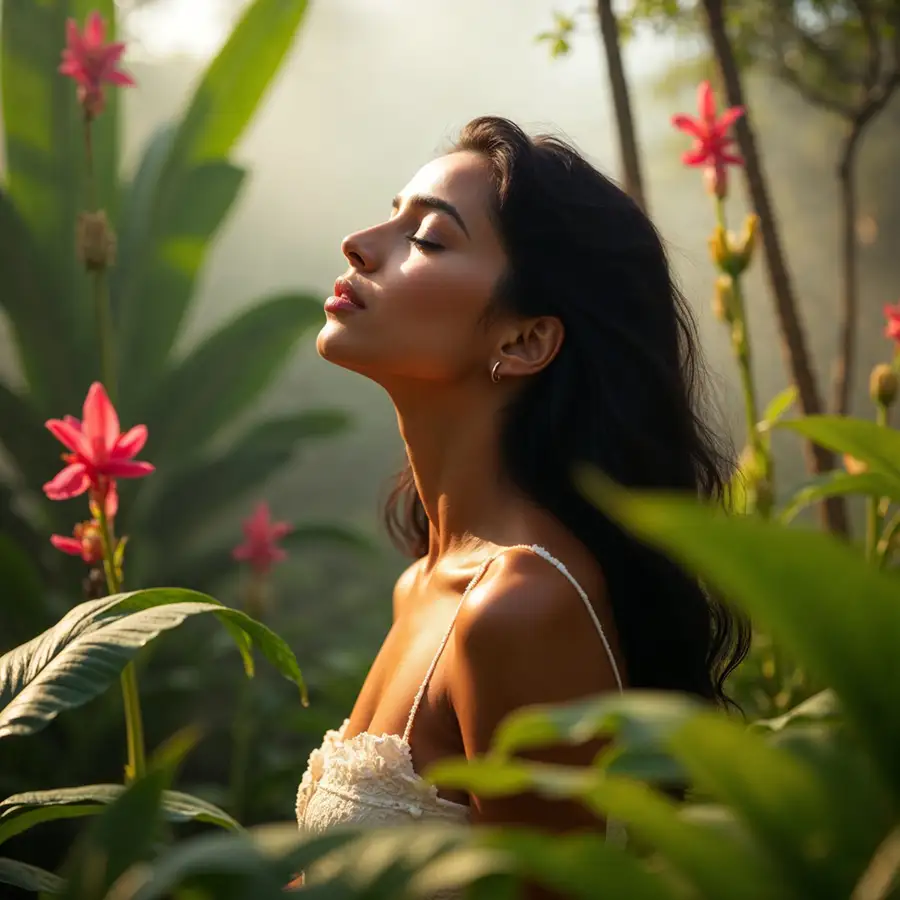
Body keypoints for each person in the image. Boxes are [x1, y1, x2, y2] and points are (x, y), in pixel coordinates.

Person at [293, 115, 749, 895]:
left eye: (429, 239)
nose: (361, 243)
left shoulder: (518, 609)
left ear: (524, 341)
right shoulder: (427, 583)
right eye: (391, 214)